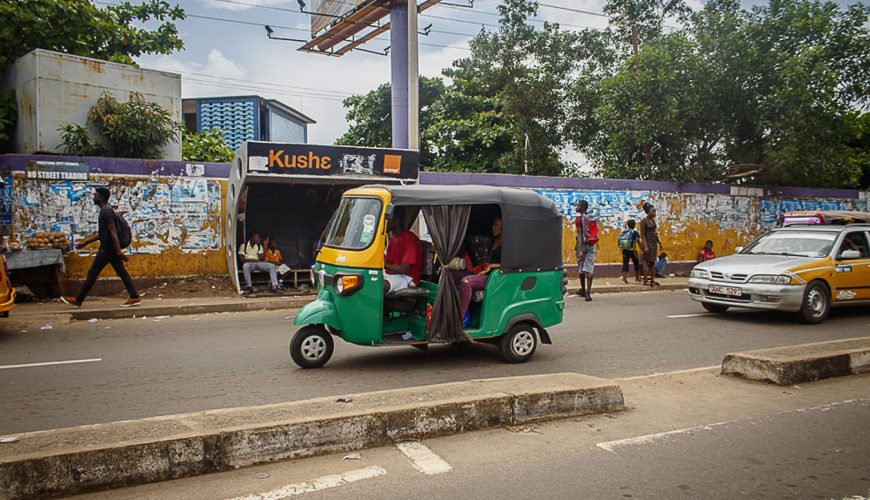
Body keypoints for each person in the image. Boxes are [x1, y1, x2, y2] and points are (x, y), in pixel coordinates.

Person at [61, 187, 141, 308]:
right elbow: (103, 233)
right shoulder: (105, 210)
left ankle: (79, 299)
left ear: (101, 198)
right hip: (111, 249)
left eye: (95, 195)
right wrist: (86, 241)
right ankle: (134, 296)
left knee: (93, 273)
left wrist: (119, 251)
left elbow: (113, 231)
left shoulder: (106, 211)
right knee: (121, 272)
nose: (94, 197)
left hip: (107, 249)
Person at [459, 217, 502, 326]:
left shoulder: (508, 244)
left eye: (496, 225)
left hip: (496, 277)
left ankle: (460, 317)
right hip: (486, 273)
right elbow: (488, 262)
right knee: (453, 275)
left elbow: (510, 264)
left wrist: (492, 266)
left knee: (466, 281)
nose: (493, 227)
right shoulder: (493, 241)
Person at [384, 208, 422, 294]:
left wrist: (383, 265)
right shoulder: (393, 239)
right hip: (392, 275)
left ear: (396, 220)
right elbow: (387, 264)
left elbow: (403, 269)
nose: (384, 223)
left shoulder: (409, 239)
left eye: (387, 219)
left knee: (381, 287)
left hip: (407, 278)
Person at [574, 200, 598, 301]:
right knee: (589, 267)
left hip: (582, 245)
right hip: (592, 244)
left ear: (583, 207)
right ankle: (588, 293)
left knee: (581, 267)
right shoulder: (591, 217)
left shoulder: (579, 220)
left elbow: (579, 235)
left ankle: (583, 290)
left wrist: (580, 250)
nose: (576, 207)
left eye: (578, 206)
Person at [639, 202, 662, 287]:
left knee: (653, 261)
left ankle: (652, 280)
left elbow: (655, 233)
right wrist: (645, 245)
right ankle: (645, 280)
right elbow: (642, 235)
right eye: (653, 211)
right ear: (648, 212)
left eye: (655, 211)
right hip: (647, 243)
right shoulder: (643, 222)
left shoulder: (652, 221)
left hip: (653, 243)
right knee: (645, 261)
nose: (654, 213)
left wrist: (659, 243)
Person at [618, 219, 641, 284]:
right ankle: (637, 278)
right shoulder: (635, 232)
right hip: (632, 250)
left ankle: (624, 279)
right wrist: (642, 247)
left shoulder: (624, 232)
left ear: (628, 225)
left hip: (625, 250)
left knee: (625, 264)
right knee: (636, 263)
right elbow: (637, 240)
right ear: (634, 225)